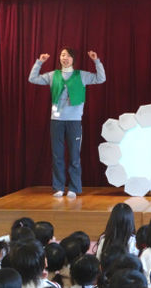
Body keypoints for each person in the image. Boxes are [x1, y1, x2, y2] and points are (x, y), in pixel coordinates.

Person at [28, 48, 106, 198]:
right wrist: (40, 62)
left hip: (74, 121)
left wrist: (96, 61)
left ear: (73, 59)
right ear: (59, 58)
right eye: (63, 55)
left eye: (69, 56)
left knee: (74, 156)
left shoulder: (81, 75)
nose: (66, 58)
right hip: (56, 121)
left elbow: (101, 78)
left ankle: (74, 188)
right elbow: (32, 79)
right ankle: (58, 187)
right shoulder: (53, 75)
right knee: (57, 155)